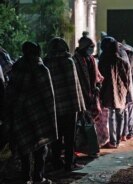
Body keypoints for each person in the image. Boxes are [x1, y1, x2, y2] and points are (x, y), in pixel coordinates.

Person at [4, 41, 57, 183]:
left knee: (24, 148)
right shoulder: (41, 69)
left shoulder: (17, 67)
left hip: (19, 115)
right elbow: (48, 96)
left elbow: (10, 92)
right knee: (41, 148)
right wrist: (52, 119)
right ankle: (38, 178)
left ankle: (25, 177)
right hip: (38, 115)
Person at [44, 37, 85, 171]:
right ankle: (69, 163)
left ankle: (56, 162)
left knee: (56, 137)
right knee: (69, 137)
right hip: (69, 106)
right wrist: (80, 107)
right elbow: (74, 86)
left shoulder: (46, 62)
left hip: (53, 107)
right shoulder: (68, 62)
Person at [73, 34, 104, 156]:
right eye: (90, 46)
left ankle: (90, 148)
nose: (92, 49)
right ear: (84, 47)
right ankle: (82, 148)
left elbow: (97, 76)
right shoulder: (75, 60)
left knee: (89, 122)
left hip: (91, 95)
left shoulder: (91, 59)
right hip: (80, 96)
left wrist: (97, 86)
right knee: (80, 123)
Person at [98, 36, 130, 148]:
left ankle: (113, 140)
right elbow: (127, 78)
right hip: (121, 91)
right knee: (119, 114)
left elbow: (99, 77)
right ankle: (118, 139)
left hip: (107, 91)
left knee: (111, 116)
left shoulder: (103, 59)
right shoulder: (122, 59)